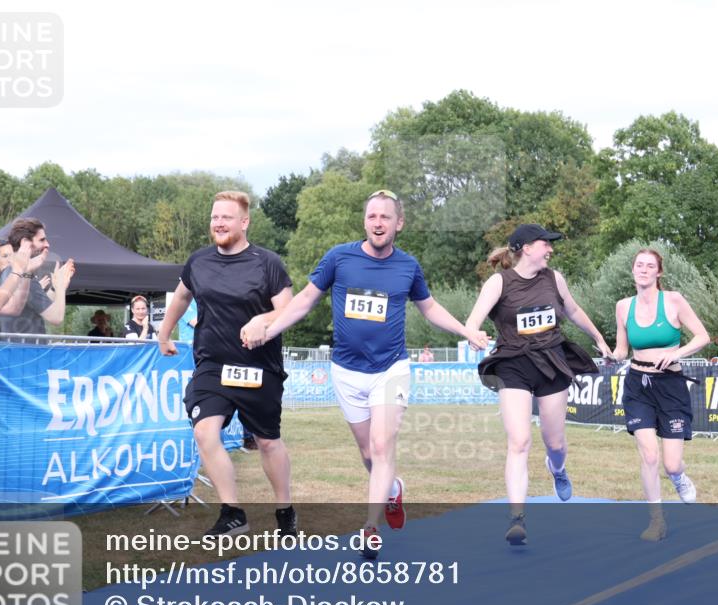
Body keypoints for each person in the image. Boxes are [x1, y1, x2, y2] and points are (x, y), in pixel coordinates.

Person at [244, 189, 488, 558]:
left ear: (398, 224)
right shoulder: (338, 258)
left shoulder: (408, 266)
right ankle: (391, 490)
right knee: (367, 454)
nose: (378, 223)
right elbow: (304, 301)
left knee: (381, 445)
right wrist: (270, 329)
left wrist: (466, 330)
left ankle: (370, 529)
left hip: (390, 369)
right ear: (365, 222)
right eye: (372, 216)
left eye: (385, 217)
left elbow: (430, 308)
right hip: (346, 371)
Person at [158, 190, 297, 537]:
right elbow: (181, 296)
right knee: (205, 430)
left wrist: (262, 320)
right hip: (212, 364)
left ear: (244, 222)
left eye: (226, 217)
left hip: (258, 367)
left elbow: (290, 310)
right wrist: (164, 332)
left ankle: (285, 510)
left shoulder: (268, 263)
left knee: (267, 442)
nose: (218, 223)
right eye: (214, 217)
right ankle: (232, 512)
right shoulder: (199, 261)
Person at [466, 223, 611, 545]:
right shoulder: (498, 282)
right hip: (513, 364)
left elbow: (572, 310)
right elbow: (473, 320)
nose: (551, 249)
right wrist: (474, 333)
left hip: (551, 362)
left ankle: (557, 469)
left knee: (555, 443)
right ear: (526, 248)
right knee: (518, 441)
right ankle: (516, 518)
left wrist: (599, 338)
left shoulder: (554, 279)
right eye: (546, 244)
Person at [611, 248, 710, 541]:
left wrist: (677, 353)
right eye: (639, 265)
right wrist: (610, 355)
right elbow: (621, 349)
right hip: (637, 385)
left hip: (670, 385)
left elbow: (703, 336)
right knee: (649, 455)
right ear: (633, 270)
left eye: (649, 266)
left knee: (671, 464)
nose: (643, 270)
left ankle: (679, 477)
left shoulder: (674, 300)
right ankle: (657, 520)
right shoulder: (622, 306)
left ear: (659, 272)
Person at [179, 297, 258, 450]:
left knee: (240, 395)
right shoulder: (188, 301)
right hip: (197, 357)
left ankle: (248, 436)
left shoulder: (212, 299)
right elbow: (200, 324)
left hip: (219, 354)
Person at [0, 217, 75, 335]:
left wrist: (54, 288)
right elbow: (56, 318)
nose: (47, 245)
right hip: (28, 350)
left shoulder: (10, 271)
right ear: (25, 243)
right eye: (42, 240)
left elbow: (41, 305)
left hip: (17, 348)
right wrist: (61, 287)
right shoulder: (24, 276)